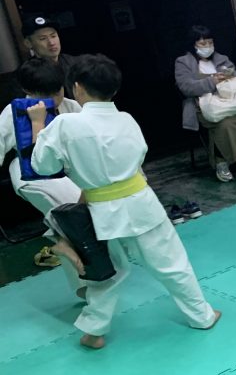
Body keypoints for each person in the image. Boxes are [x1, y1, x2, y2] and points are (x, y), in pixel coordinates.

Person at [28, 54, 220, 350]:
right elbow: (139, 155)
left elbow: (42, 166)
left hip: (99, 212)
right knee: (172, 264)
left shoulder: (65, 124)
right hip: (140, 203)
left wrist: (38, 125)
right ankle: (201, 316)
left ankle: (94, 330)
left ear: (77, 87)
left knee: (108, 270)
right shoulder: (126, 120)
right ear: (114, 89)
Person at [1, 59, 84, 294]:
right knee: (69, 211)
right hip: (29, 173)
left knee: (80, 214)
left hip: (67, 170)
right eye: (46, 94)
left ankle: (81, 277)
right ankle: (82, 275)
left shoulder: (71, 106)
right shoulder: (13, 112)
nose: (54, 98)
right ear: (28, 90)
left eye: (57, 91)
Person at [174, 25, 236, 183]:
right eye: (203, 43)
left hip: (230, 101)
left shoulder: (221, 58)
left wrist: (229, 75)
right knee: (225, 124)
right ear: (193, 44)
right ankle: (221, 162)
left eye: (210, 42)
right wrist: (212, 81)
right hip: (204, 105)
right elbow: (186, 87)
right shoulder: (183, 62)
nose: (207, 46)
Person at [20, 12, 77, 98]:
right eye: (43, 38)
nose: (51, 43)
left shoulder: (76, 64)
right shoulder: (27, 74)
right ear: (28, 43)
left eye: (53, 36)